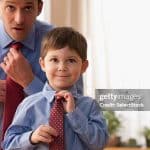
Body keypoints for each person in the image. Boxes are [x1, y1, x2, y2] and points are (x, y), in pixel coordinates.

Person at [2, 27, 108, 150]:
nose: (62, 67)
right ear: (42, 64)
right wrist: (31, 137)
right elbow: (8, 144)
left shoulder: (90, 106)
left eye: (71, 60)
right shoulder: (29, 105)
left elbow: (100, 143)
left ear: (83, 67)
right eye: (54, 60)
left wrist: (74, 114)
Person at [0, 0, 83, 139]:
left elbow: (77, 112)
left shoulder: (62, 43)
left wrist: (29, 82)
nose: (19, 19)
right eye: (10, 7)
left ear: (39, 8)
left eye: (27, 8)